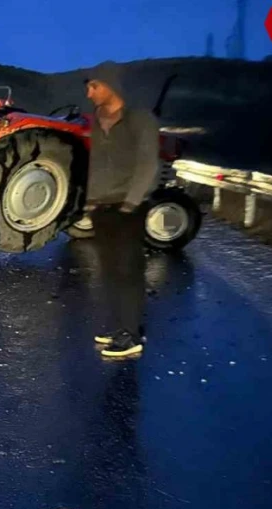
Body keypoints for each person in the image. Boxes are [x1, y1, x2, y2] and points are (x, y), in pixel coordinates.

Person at [84, 61, 160, 358]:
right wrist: (90, 201)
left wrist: (132, 202)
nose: (89, 93)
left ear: (111, 85)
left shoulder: (139, 119)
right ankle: (120, 326)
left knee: (129, 270)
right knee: (110, 271)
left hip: (128, 206)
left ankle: (131, 335)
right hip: (101, 207)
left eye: (94, 86)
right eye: (88, 86)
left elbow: (148, 162)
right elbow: (96, 163)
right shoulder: (96, 119)